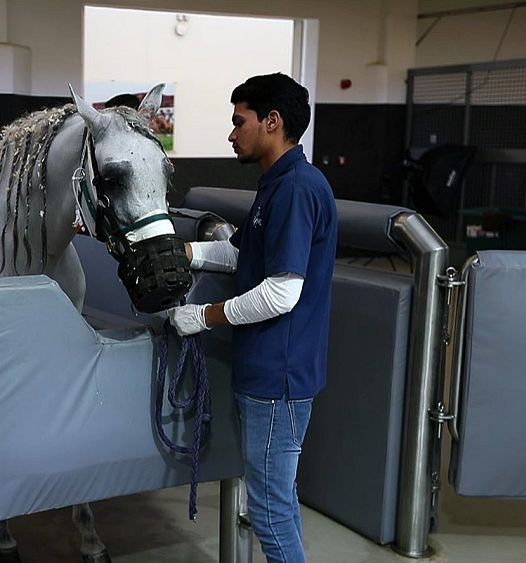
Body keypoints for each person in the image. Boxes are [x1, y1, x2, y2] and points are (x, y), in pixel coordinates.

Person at [167, 73, 337, 562]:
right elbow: (241, 255)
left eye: (239, 122)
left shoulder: (297, 190)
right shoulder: (277, 182)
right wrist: (182, 252)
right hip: (266, 370)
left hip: (277, 376)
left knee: (268, 509)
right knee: (275, 501)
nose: (231, 133)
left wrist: (203, 315)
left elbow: (282, 292)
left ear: (272, 121)